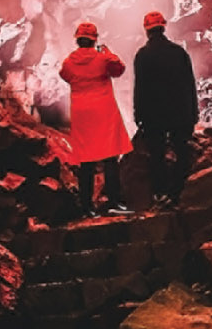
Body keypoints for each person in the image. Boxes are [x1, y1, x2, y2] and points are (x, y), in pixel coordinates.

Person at [59, 21, 133, 217]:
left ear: (77, 40)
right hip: (104, 112)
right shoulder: (102, 59)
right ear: (94, 40)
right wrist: (107, 52)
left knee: (86, 161)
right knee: (110, 158)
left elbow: (64, 75)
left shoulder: (69, 62)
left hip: (83, 115)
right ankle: (113, 202)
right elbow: (119, 69)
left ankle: (86, 207)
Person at [133, 11, 198, 207]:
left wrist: (138, 115)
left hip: (154, 115)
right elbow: (190, 84)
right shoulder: (179, 52)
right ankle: (180, 192)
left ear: (147, 30)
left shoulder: (143, 55)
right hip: (179, 112)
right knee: (182, 151)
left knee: (157, 154)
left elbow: (140, 88)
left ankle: (160, 193)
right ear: (163, 27)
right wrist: (193, 113)